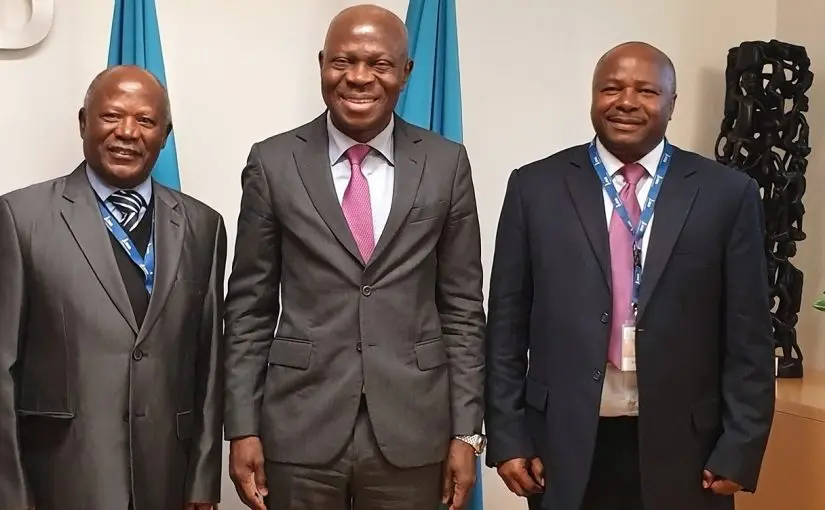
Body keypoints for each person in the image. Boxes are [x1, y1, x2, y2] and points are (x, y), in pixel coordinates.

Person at [484, 41, 775, 510]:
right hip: (561, 444)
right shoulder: (534, 187)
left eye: (646, 91)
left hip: (689, 450)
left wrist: (741, 445)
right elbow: (505, 327)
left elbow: (749, 334)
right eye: (611, 88)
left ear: (672, 103)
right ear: (592, 95)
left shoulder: (727, 193)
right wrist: (508, 435)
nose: (626, 101)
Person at [222, 4, 486, 510]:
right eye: (342, 61)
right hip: (299, 426)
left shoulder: (446, 164)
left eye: (379, 64)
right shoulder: (273, 163)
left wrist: (467, 432)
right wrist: (242, 427)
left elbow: (462, 311)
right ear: (322, 64)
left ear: (406, 72)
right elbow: (250, 308)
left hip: (414, 429)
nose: (359, 77)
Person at [0, 65, 226, 510]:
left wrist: (203, 481)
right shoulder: (19, 219)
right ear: (83, 122)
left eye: (145, 120)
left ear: (165, 134)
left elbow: (210, 364)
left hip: (166, 479)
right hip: (59, 480)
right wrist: (10, 494)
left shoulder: (204, 226)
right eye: (111, 116)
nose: (127, 132)